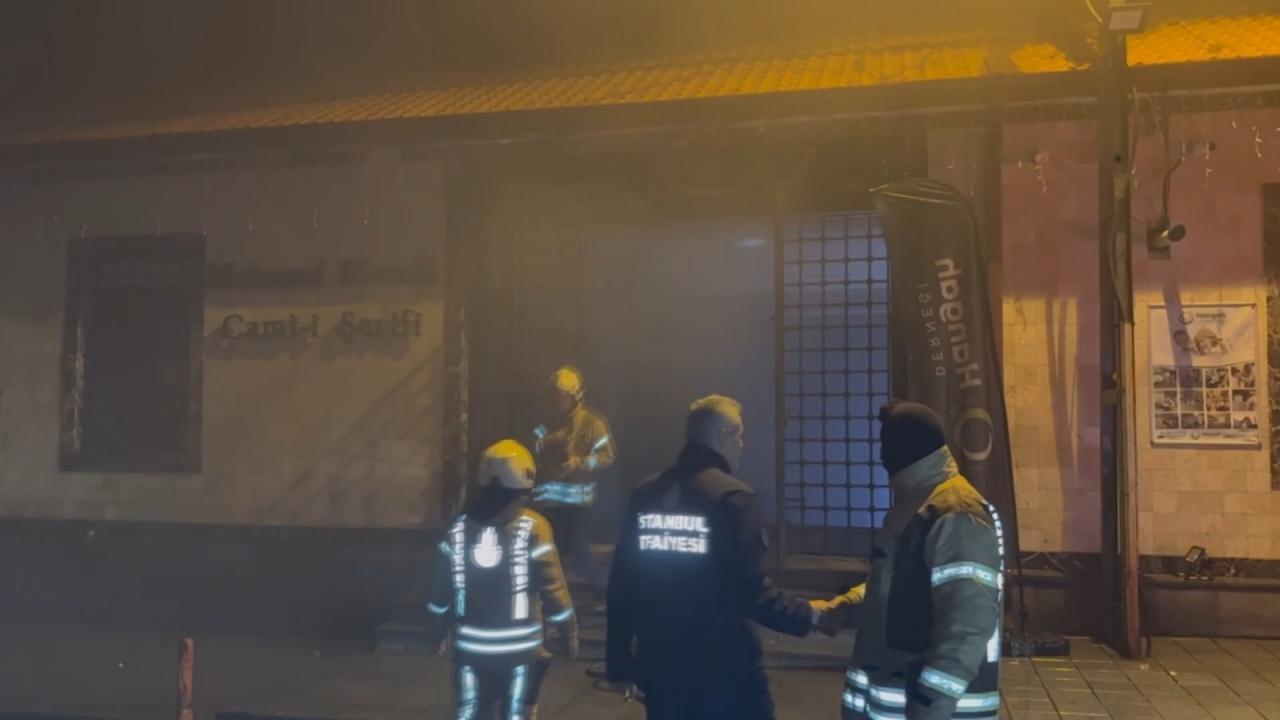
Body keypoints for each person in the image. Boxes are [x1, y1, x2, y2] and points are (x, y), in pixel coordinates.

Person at [605, 394, 837, 719]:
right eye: (739, 435)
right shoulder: (733, 498)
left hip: (662, 670)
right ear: (722, 435)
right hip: (725, 674)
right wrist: (808, 615)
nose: (742, 444)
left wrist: (618, 665)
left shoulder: (646, 494)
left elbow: (622, 586)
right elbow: (751, 592)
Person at [814, 401, 1004, 720]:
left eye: (886, 443)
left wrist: (930, 706)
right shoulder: (917, 504)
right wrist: (843, 608)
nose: (883, 454)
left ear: (904, 447)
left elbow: (967, 624)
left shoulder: (954, 513)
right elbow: (897, 588)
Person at [425, 439, 579, 720]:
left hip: (470, 651)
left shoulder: (457, 530)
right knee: (518, 714)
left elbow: (440, 593)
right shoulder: (536, 528)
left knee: (470, 713)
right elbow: (553, 589)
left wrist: (436, 632)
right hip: (523, 655)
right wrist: (568, 634)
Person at [531, 366, 616, 594]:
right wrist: (549, 444)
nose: (557, 401)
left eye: (561, 396)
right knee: (548, 553)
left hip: (577, 503)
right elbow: (533, 447)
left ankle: (601, 592)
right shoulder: (544, 421)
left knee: (580, 552)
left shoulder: (593, 423)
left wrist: (579, 463)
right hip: (547, 505)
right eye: (554, 396)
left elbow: (607, 456)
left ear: (574, 395)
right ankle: (550, 595)